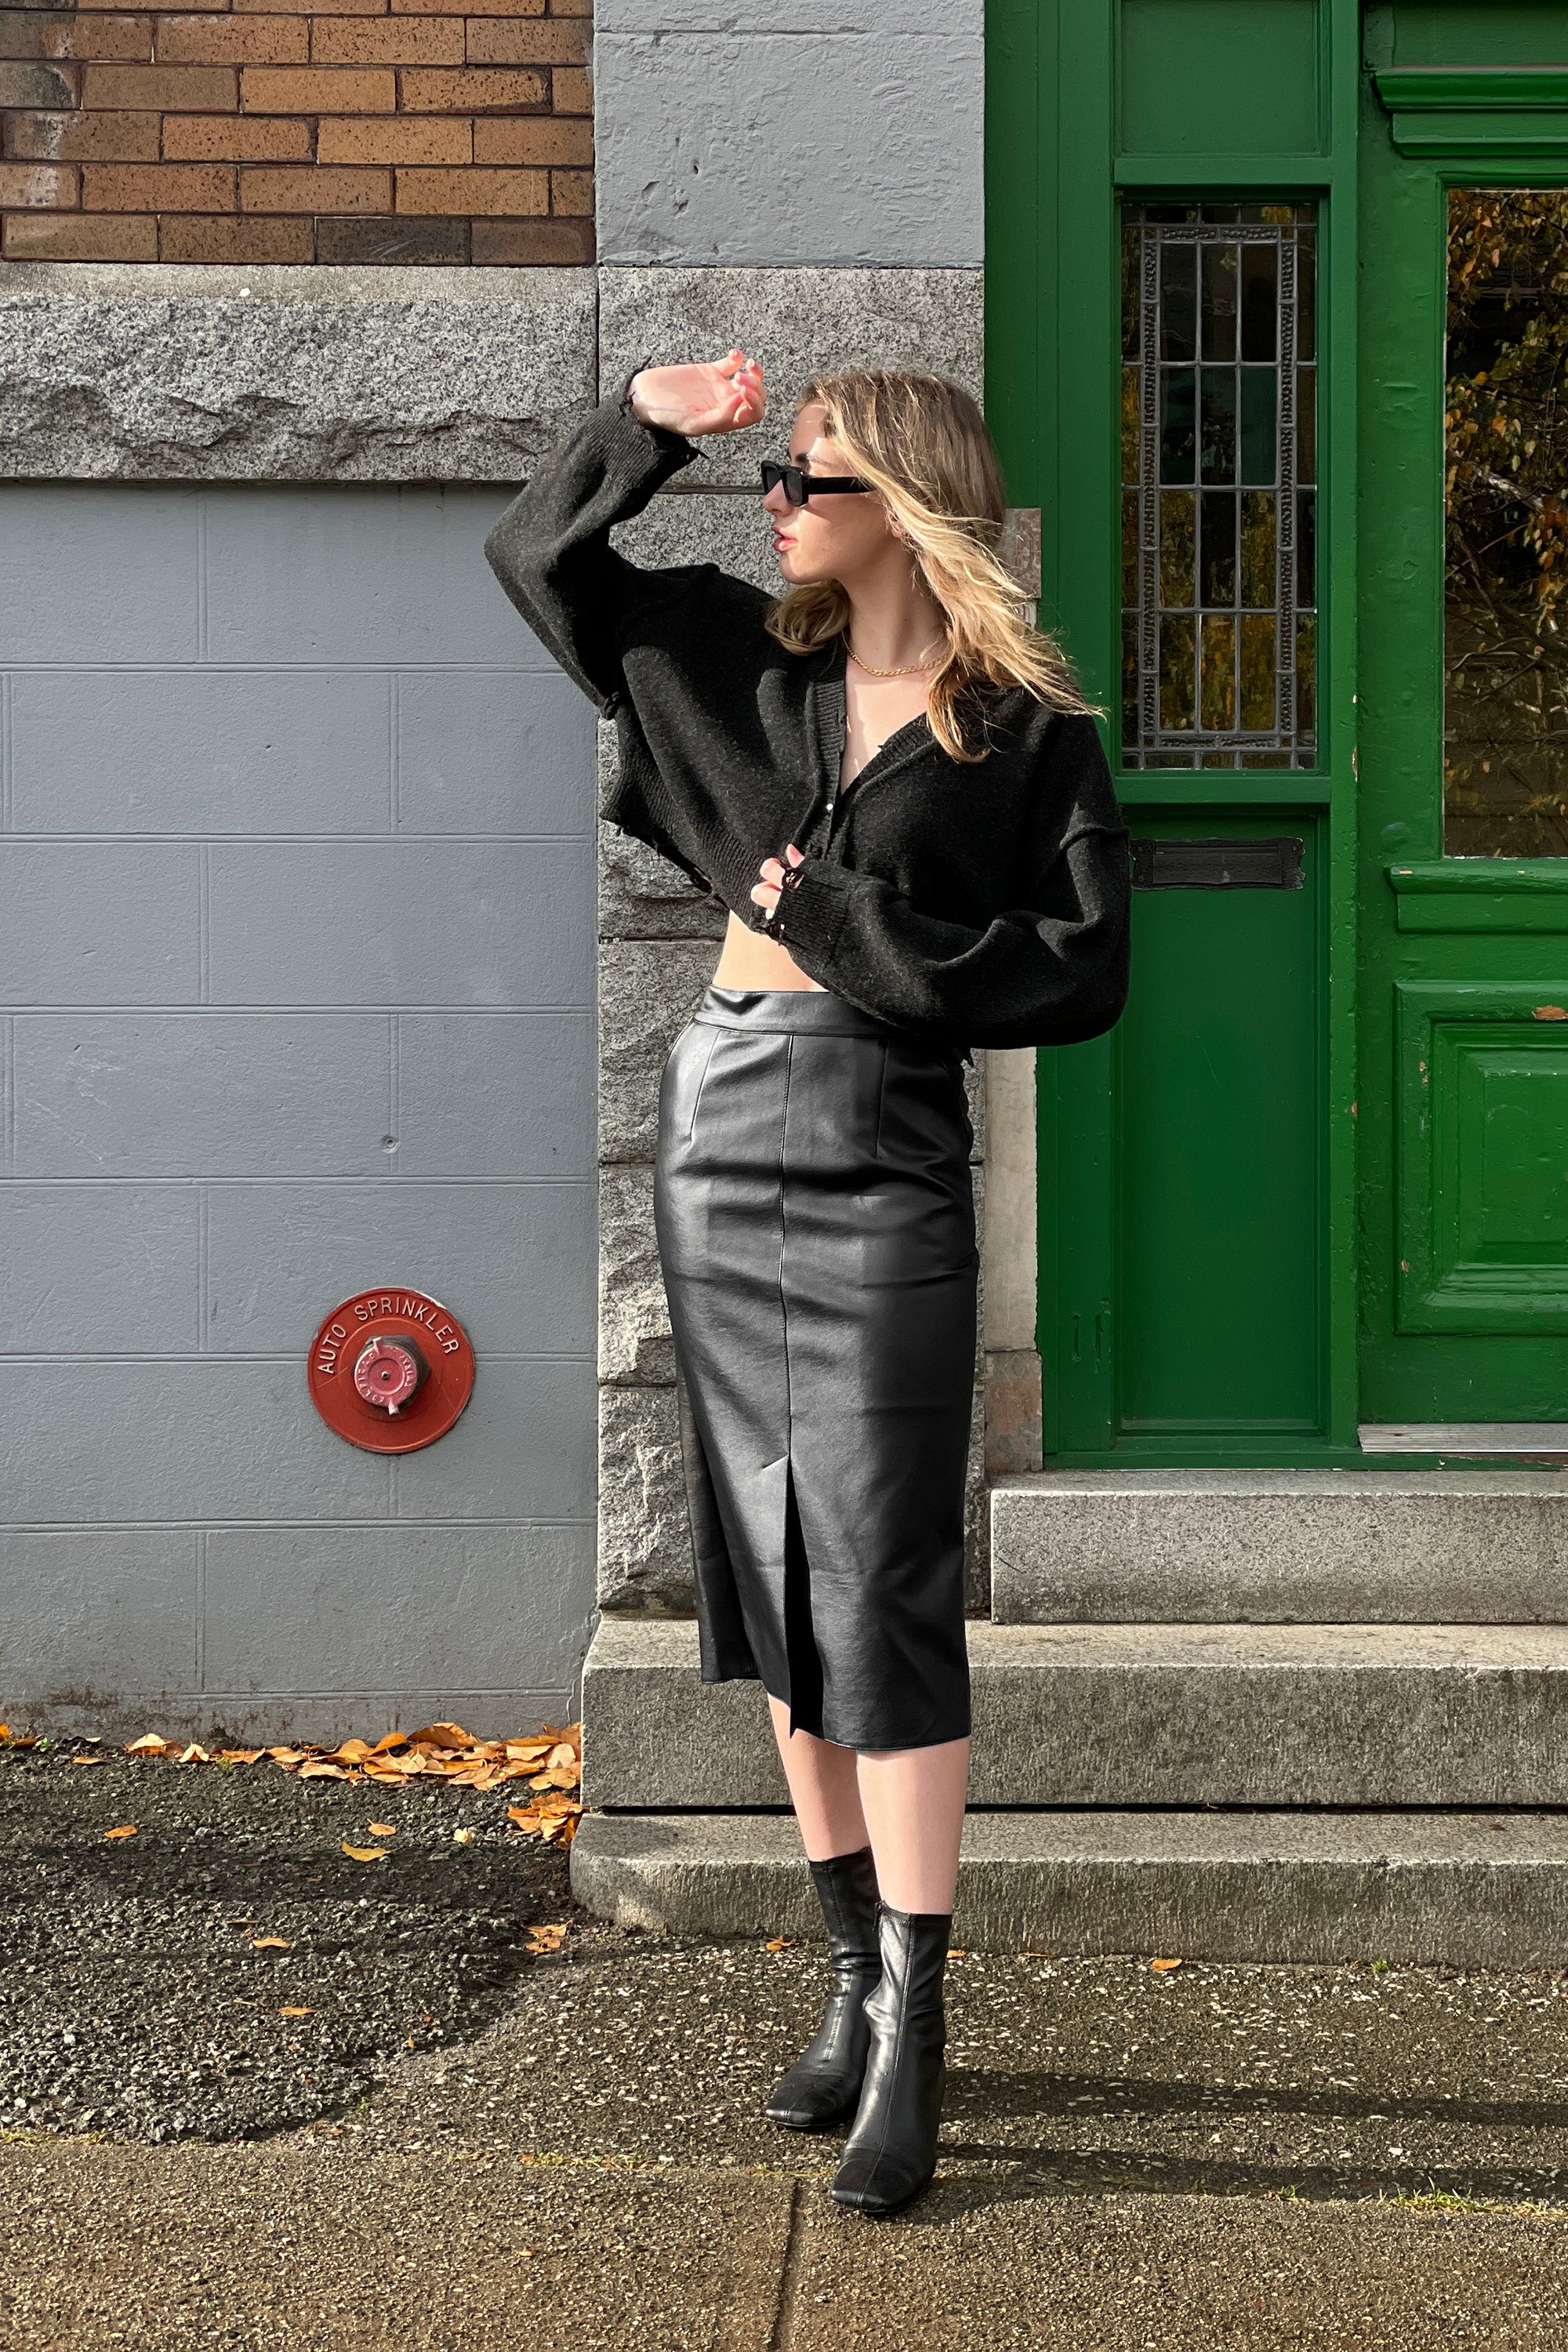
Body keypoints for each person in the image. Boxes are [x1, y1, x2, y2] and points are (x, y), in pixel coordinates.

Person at [484, 349, 1130, 2215]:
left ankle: (916, 2017)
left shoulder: (1021, 731)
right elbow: (534, 558)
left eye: (808, 477)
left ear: (908, 505)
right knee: (771, 1562)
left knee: (884, 1570)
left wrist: (853, 921)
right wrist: (645, 419)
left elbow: (1080, 970)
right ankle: (849, 1966)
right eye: (768, 472)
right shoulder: (719, 657)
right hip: (725, 1129)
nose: (774, 500)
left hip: (885, 1145)